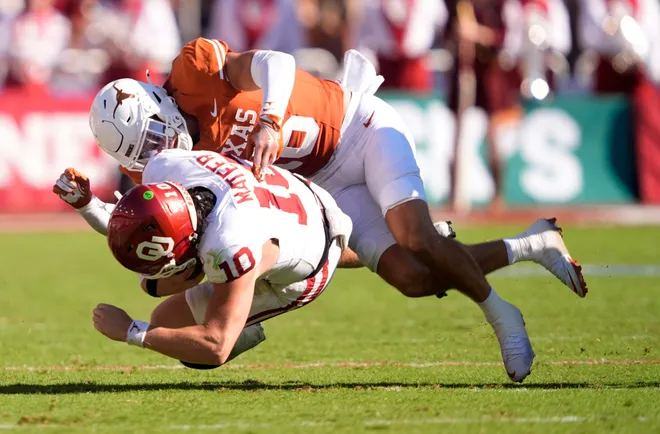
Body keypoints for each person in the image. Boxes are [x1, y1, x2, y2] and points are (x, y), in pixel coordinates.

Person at [56, 39, 589, 382]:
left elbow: (277, 64)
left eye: (152, 136)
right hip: (320, 183)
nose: (156, 152)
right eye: (142, 153)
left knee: (417, 237)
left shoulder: (194, 75)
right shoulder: (164, 167)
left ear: (157, 102)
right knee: (410, 275)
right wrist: (87, 205)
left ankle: (502, 314)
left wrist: (268, 120)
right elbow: (147, 231)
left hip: (355, 127)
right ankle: (531, 245)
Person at [92, 148, 353, 367]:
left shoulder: (229, 245)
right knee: (167, 311)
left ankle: (241, 320)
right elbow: (146, 215)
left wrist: (131, 331)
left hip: (311, 260)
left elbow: (215, 346)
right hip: (304, 194)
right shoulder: (166, 167)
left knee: (172, 328)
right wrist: (87, 205)